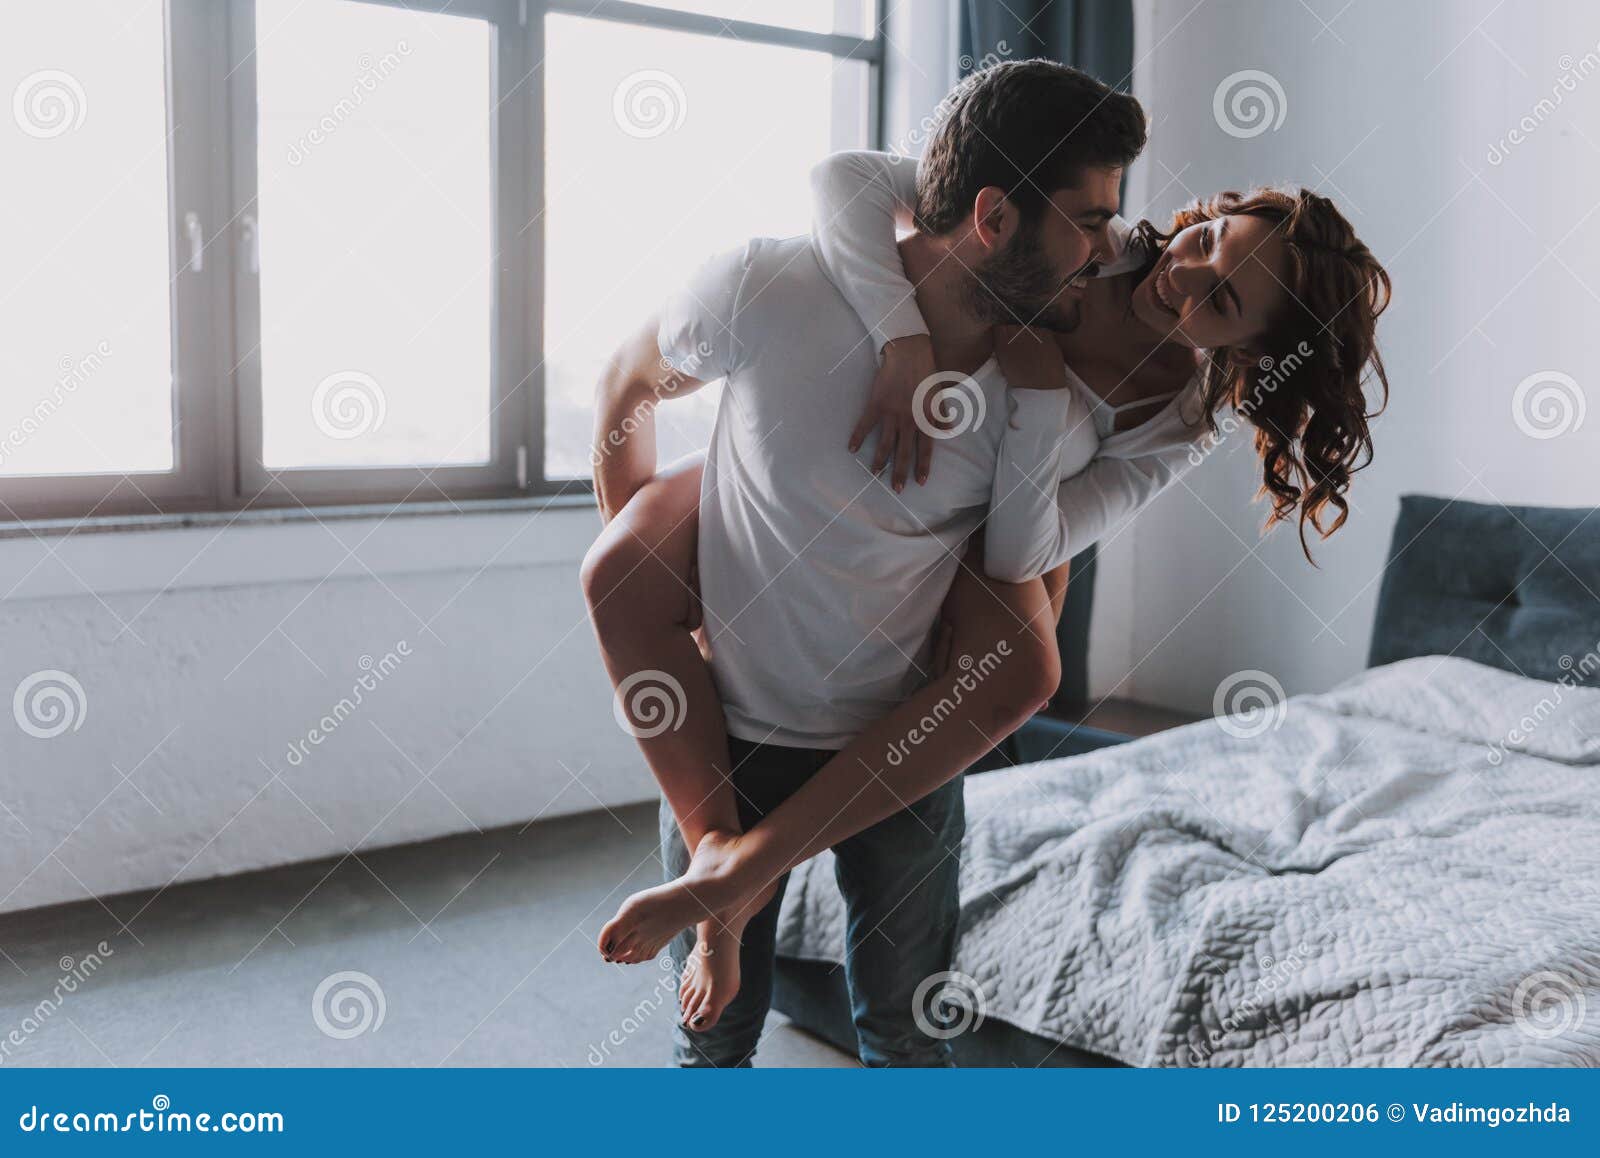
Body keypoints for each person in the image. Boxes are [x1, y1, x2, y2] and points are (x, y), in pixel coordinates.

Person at [584, 59, 1148, 1066]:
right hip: (727, 744)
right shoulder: (769, 284)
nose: (1106, 251)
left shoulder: (1041, 407)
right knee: (711, 1048)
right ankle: (722, 891)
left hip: (901, 759)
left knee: (903, 1039)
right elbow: (625, 382)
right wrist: (662, 586)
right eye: (1088, 219)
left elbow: (1028, 583)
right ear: (992, 215)